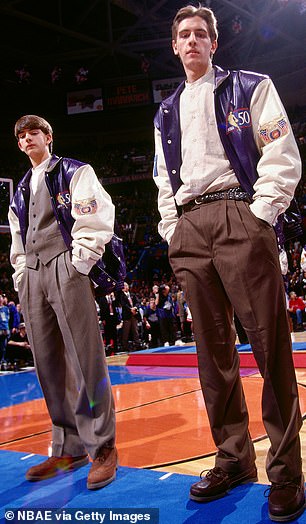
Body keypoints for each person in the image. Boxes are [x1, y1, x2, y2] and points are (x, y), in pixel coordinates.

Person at [153, 5, 304, 522]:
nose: (192, 41)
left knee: (269, 346)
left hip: (240, 212)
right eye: (184, 35)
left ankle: (286, 473)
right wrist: (173, 228)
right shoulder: (166, 111)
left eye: (201, 34)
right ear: (174, 46)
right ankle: (234, 459)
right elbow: (162, 179)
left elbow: (280, 151)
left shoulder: (251, 85)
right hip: (189, 227)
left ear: (213, 43)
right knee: (211, 354)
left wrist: (260, 214)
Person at [8, 115, 117, 490]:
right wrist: (21, 273)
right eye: (21, 136)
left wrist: (80, 261)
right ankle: (67, 446)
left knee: (84, 357)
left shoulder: (74, 170)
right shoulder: (20, 188)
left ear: (48, 137)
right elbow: (18, 237)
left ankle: (102, 448)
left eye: (32, 133)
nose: (26, 140)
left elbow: (95, 213)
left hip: (66, 265)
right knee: (48, 364)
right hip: (33, 275)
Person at [118, 281, 141, 352]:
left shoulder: (132, 294)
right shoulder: (121, 296)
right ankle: (125, 346)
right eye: (124, 286)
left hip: (134, 315)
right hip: (127, 315)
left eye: (127, 285)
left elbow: (137, 302)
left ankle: (137, 344)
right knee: (126, 331)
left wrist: (135, 308)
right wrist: (130, 309)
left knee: (135, 330)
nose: (126, 287)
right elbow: (124, 305)